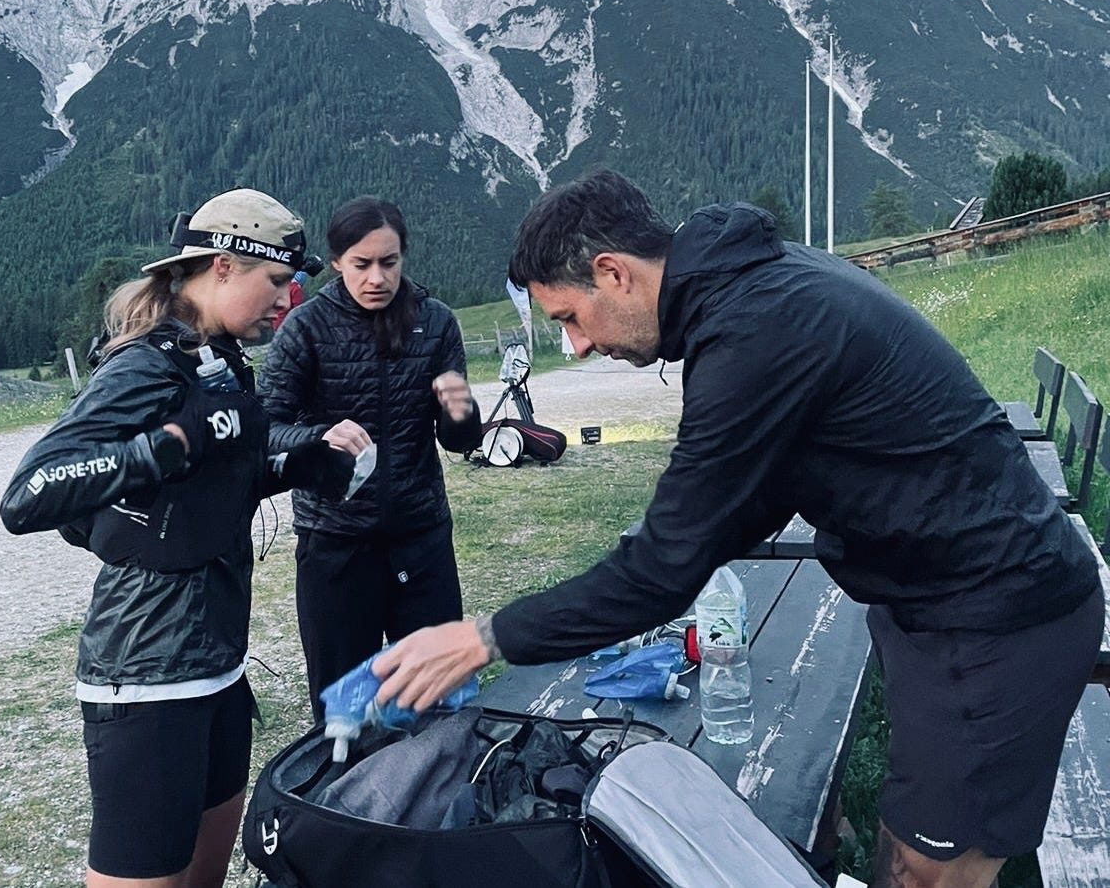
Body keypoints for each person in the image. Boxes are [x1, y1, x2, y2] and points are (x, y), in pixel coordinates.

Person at [373, 169, 1102, 888]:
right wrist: (670, 547)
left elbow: (662, 571)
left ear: (613, 273)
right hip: (932, 602)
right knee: (903, 839)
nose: (579, 347)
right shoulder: (749, 288)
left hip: (997, 615)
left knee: (933, 868)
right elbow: (748, 496)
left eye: (569, 317)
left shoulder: (754, 329)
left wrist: (484, 637)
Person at [0, 188, 362, 888]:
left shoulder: (218, 358)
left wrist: (298, 463)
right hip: (145, 678)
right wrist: (166, 443)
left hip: (219, 667)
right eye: (278, 282)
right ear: (224, 265)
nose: (287, 302)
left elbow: (209, 488)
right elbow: (27, 494)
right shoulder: (145, 366)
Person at [258, 195, 482, 708]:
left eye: (389, 262)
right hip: (335, 543)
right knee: (342, 705)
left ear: (404, 256)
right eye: (362, 264)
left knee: (437, 695)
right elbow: (264, 429)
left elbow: (459, 443)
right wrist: (318, 436)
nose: (377, 278)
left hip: (420, 536)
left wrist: (462, 411)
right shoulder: (305, 329)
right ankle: (341, 787)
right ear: (337, 262)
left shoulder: (437, 322)